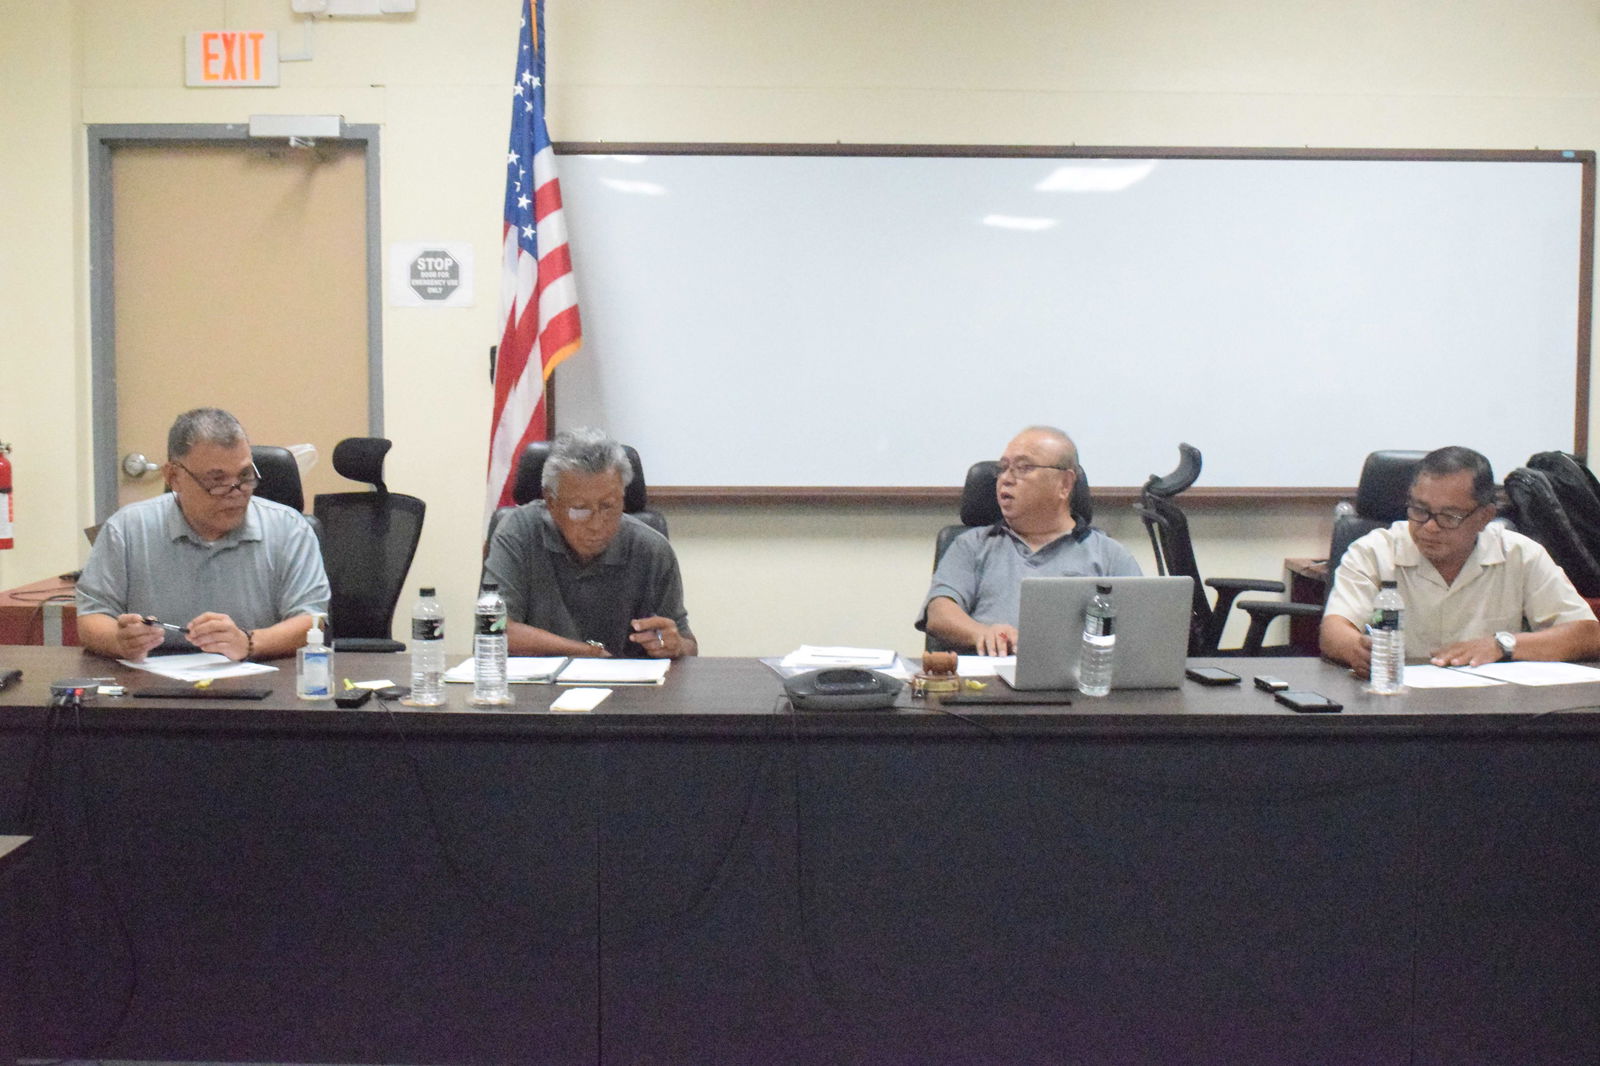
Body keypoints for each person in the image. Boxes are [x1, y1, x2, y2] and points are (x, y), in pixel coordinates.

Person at [76, 407, 330, 662]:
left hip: (259, 680)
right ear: (174, 477)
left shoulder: (289, 529)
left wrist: (248, 642)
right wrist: (120, 641)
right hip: (152, 683)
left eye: (245, 476)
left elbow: (312, 621)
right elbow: (92, 618)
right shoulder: (128, 529)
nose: (236, 491)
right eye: (217, 481)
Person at [1321, 445, 1600, 676]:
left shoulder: (1521, 554)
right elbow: (1333, 630)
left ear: (1484, 517)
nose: (1429, 527)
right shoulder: (1373, 550)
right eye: (1419, 510)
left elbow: (1588, 634)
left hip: (1489, 714)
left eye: (1449, 516)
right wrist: (1357, 648)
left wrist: (1503, 645)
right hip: (1395, 701)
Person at [918, 425, 1142, 655]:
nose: (1005, 479)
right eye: (1003, 468)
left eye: (1023, 468)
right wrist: (982, 633)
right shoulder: (973, 544)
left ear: (1064, 484)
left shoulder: (1108, 554)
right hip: (988, 679)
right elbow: (939, 613)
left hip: (1075, 681)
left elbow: (1140, 627)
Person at [482, 427, 696, 659]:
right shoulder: (519, 533)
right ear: (551, 502)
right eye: (580, 509)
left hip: (627, 692)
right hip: (538, 692)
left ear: (622, 499)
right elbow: (495, 629)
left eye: (608, 506)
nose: (596, 524)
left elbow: (688, 647)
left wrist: (673, 645)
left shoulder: (652, 549)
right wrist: (588, 652)